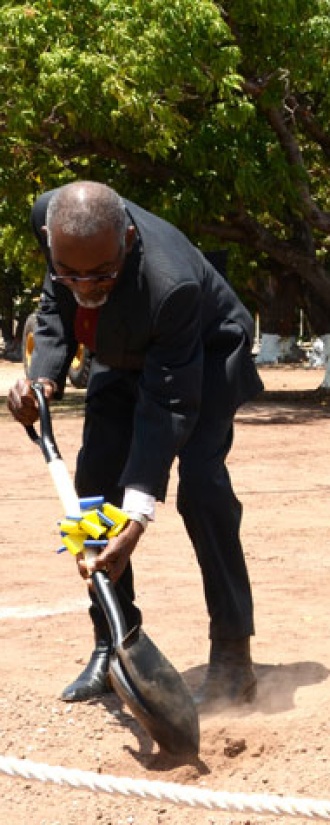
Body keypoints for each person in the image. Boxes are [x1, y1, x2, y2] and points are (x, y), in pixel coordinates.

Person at [8, 180, 264, 712]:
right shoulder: (49, 222)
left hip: (204, 353)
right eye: (70, 271)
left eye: (100, 274)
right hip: (121, 350)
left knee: (202, 486)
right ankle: (111, 641)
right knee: (92, 490)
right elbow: (56, 305)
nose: (85, 286)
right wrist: (43, 378)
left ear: (125, 238)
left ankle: (234, 658)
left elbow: (167, 406)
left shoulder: (171, 284)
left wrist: (139, 514)